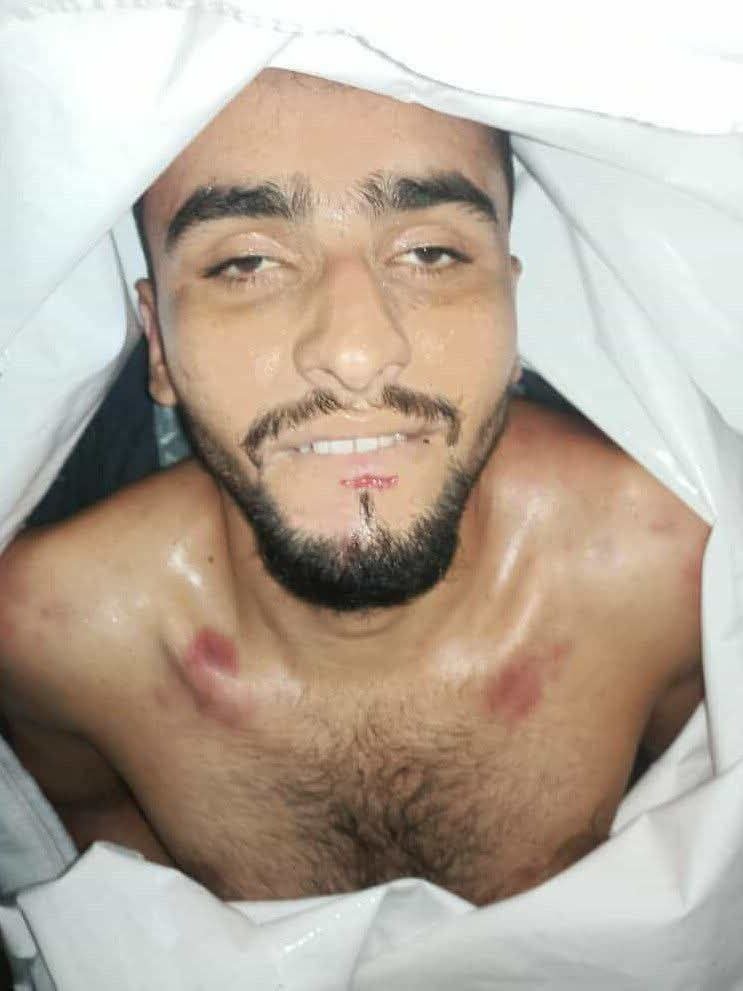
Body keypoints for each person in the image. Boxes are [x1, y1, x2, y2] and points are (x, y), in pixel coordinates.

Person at [0, 69, 708, 907]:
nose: (356, 354)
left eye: (431, 253)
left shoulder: (674, 578)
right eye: (247, 263)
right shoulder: (55, 641)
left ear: (513, 308)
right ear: (157, 344)